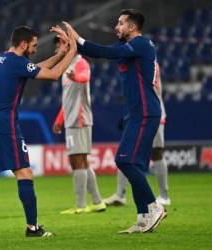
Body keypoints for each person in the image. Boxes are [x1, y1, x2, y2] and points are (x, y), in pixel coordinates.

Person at [0, 26, 77, 239]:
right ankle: (33, 228)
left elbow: (34, 68)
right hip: (3, 125)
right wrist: (72, 51)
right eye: (34, 45)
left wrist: (61, 53)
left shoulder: (2, 59)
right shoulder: (17, 63)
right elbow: (53, 75)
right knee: (25, 173)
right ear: (24, 44)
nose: (35, 49)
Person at [62, 8, 166, 234]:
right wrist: (75, 44)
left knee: (124, 160)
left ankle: (153, 206)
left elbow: (105, 53)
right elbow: (106, 52)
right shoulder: (131, 48)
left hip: (145, 111)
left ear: (132, 27)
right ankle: (143, 218)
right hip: (136, 112)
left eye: (120, 23)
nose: (116, 27)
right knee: (135, 164)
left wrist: (78, 39)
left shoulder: (140, 43)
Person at [103, 63, 171, 206]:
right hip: (136, 115)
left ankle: (164, 196)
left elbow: (146, 90)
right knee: (125, 153)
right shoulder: (136, 63)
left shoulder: (149, 63)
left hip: (153, 113)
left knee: (156, 153)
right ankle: (120, 194)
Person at [52, 37, 106, 215]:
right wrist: (60, 119)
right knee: (81, 160)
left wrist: (77, 77)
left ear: (68, 46)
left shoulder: (80, 62)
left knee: (77, 160)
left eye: (60, 45)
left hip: (80, 118)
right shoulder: (66, 67)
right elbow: (67, 98)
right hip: (71, 119)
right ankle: (97, 202)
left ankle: (81, 205)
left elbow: (85, 76)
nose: (57, 49)